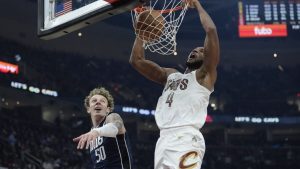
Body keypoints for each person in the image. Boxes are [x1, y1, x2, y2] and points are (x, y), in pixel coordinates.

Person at [129, 0, 220, 168]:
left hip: (186, 137)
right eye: (194, 49)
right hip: (163, 139)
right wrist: (142, 33)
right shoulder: (170, 75)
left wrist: (197, 5)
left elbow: (211, 30)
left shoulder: (204, 76)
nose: (196, 51)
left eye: (201, 50)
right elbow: (136, 61)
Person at [73, 87, 132, 169]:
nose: (98, 102)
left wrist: (97, 132)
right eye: (94, 101)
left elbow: (116, 126)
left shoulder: (112, 117)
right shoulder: (91, 134)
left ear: (108, 109)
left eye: (102, 101)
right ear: (88, 109)